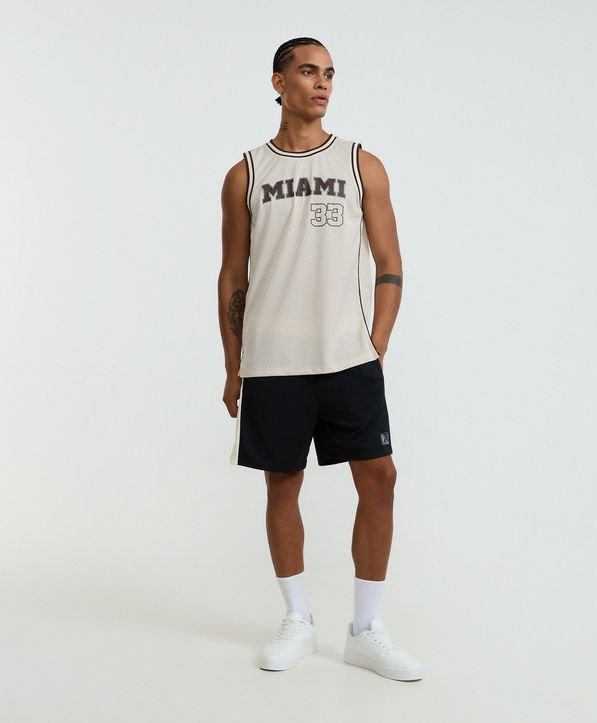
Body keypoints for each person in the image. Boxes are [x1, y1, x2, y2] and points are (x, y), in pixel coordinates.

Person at [218, 37, 423, 682]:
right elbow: (232, 276)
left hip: (347, 356)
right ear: (279, 82)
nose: (322, 83)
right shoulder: (247, 173)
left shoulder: (362, 164)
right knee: (282, 484)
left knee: (380, 478)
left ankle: (366, 629)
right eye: (308, 72)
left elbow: (390, 263)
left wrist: (376, 344)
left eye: (329, 74)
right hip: (273, 359)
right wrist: (232, 365)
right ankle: (297, 619)